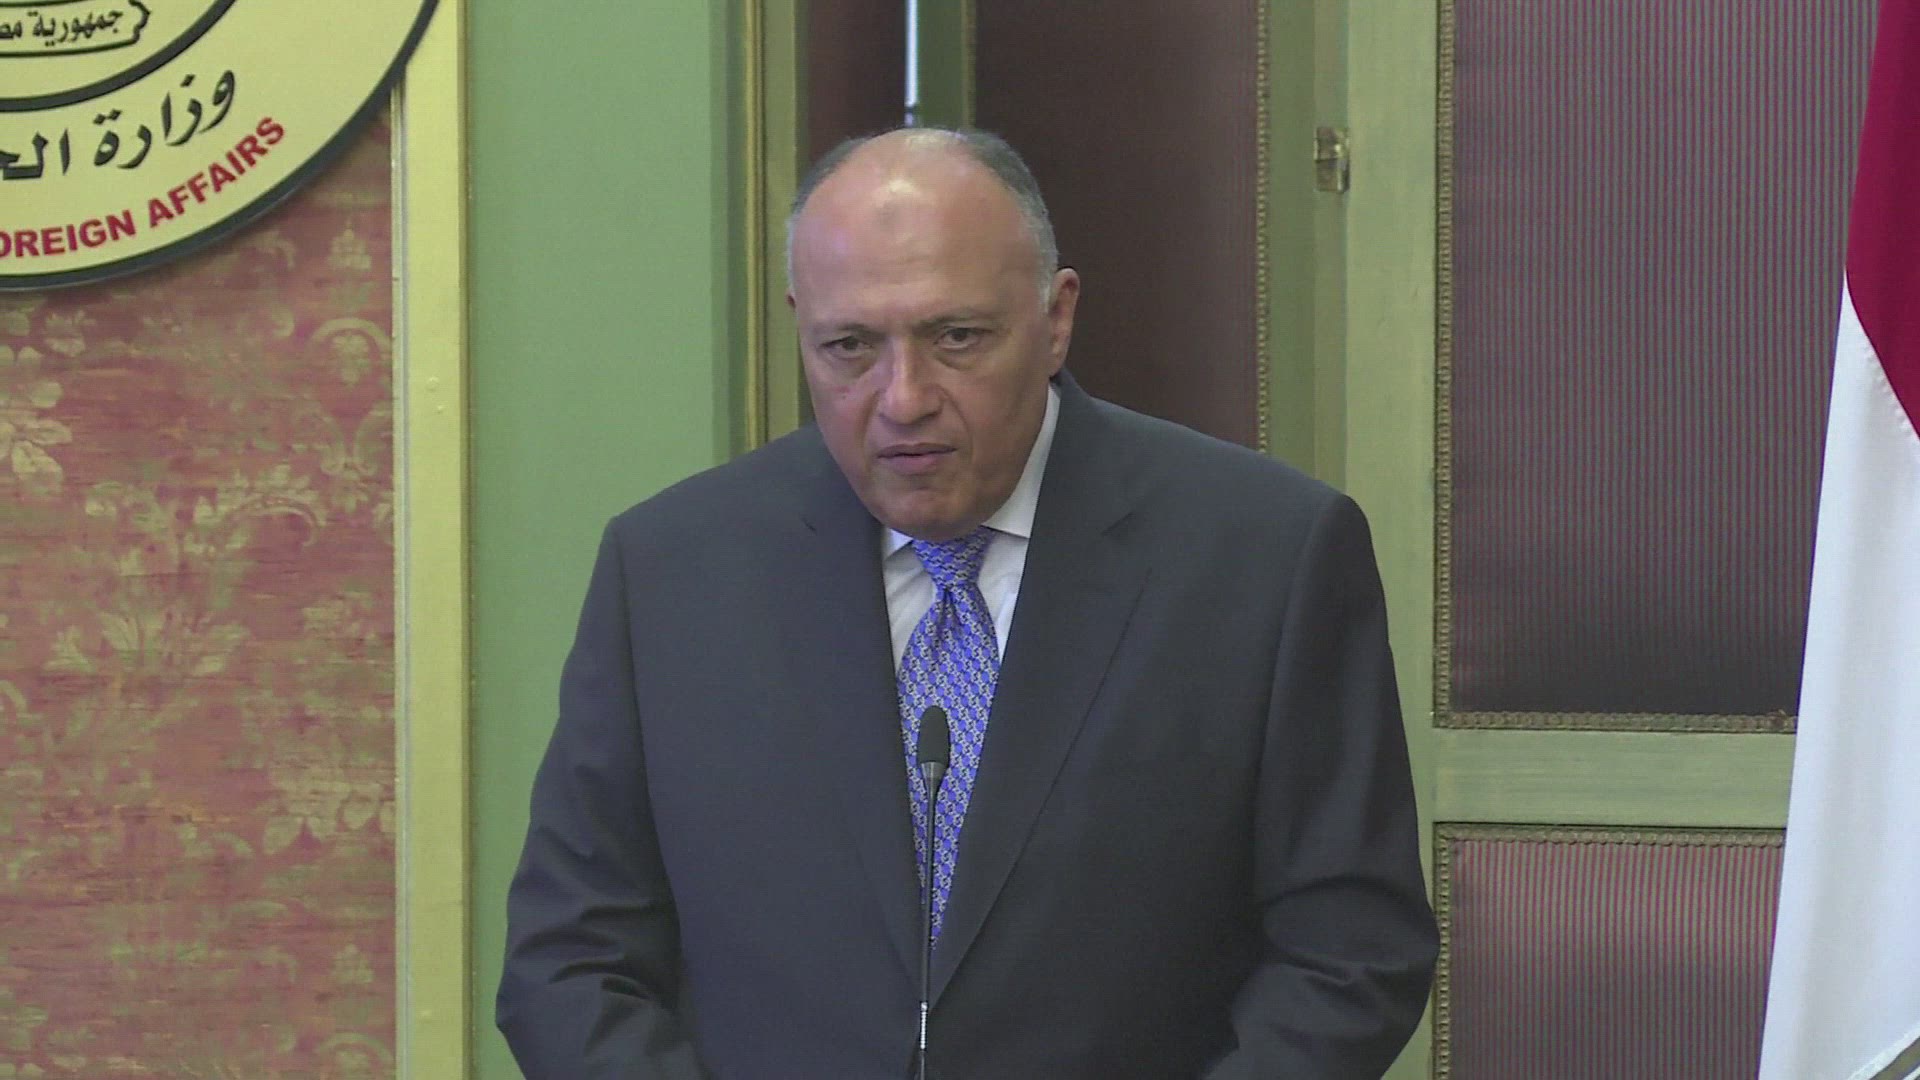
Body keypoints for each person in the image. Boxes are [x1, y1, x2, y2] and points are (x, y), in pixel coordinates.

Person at [497, 127, 1437, 1079]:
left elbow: (1350, 955)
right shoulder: (673, 572)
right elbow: (570, 959)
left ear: (1056, 318)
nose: (903, 398)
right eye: (850, 347)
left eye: (956, 338)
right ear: (800, 326)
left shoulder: (1262, 556)